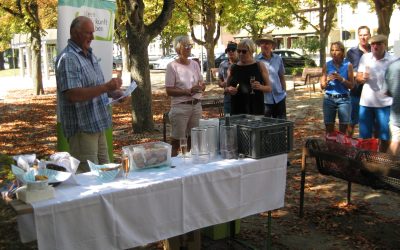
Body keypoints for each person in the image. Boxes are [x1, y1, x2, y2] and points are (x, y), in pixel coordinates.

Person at [55, 16, 124, 172]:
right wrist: (106, 87)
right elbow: (73, 95)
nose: (92, 37)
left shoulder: (89, 54)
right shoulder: (68, 59)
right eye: (88, 33)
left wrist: (115, 93)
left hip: (97, 124)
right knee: (90, 178)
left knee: (106, 173)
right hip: (82, 130)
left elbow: (96, 88)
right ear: (74, 32)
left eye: (93, 33)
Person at [165, 35, 205, 156]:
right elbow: (169, 90)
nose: (189, 48)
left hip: (196, 105)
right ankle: (172, 167)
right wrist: (187, 91)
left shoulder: (195, 64)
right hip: (180, 107)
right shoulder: (172, 66)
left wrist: (201, 87)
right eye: (186, 46)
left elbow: (201, 83)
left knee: (193, 139)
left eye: (190, 45)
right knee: (177, 141)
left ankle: (190, 164)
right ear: (178, 49)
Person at [356, 34, 395, 152]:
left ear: (385, 45)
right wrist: (362, 79)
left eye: (378, 44)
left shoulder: (393, 60)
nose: (375, 47)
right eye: (373, 44)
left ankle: (381, 160)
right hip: (366, 103)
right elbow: (358, 77)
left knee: (384, 135)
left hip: (385, 104)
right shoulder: (365, 57)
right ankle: (366, 160)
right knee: (365, 136)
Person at [226, 39, 271, 115]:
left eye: (244, 51)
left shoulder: (259, 65)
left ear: (251, 51)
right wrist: (228, 89)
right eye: (238, 51)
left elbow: (269, 88)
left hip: (255, 109)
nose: (240, 54)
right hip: (237, 110)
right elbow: (226, 89)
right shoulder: (233, 67)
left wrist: (260, 87)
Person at [320, 41, 354, 135]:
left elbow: (352, 85)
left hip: (344, 99)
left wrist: (341, 79)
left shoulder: (348, 65)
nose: (334, 53)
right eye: (332, 50)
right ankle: (331, 148)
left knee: (343, 129)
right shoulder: (327, 65)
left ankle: (342, 148)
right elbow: (322, 86)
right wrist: (327, 81)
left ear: (342, 52)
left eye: (337, 50)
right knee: (329, 128)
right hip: (329, 99)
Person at [346, 26, 371, 136]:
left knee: (371, 123)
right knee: (352, 122)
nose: (363, 37)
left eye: (365, 35)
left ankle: (371, 148)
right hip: (356, 92)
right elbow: (347, 70)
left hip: (372, 94)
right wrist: (358, 74)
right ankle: (346, 146)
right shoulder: (351, 52)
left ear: (369, 35)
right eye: (361, 35)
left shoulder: (374, 49)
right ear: (358, 36)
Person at [255, 34, 287, 119]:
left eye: (267, 43)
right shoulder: (255, 61)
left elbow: (281, 76)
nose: (264, 45)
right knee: (266, 126)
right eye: (262, 43)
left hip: (279, 97)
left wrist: (284, 91)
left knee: (281, 124)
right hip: (265, 99)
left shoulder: (278, 59)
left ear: (272, 46)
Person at [383, 58, 400, 155]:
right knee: (396, 144)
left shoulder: (392, 66)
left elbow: (386, 91)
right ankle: (385, 169)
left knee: (395, 142)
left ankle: (385, 168)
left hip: (395, 113)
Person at [218, 42, 238, 115]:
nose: (230, 52)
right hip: (228, 97)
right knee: (228, 121)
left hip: (240, 96)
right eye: (228, 50)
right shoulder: (223, 64)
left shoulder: (242, 63)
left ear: (237, 51)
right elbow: (219, 79)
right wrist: (221, 83)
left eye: (233, 50)